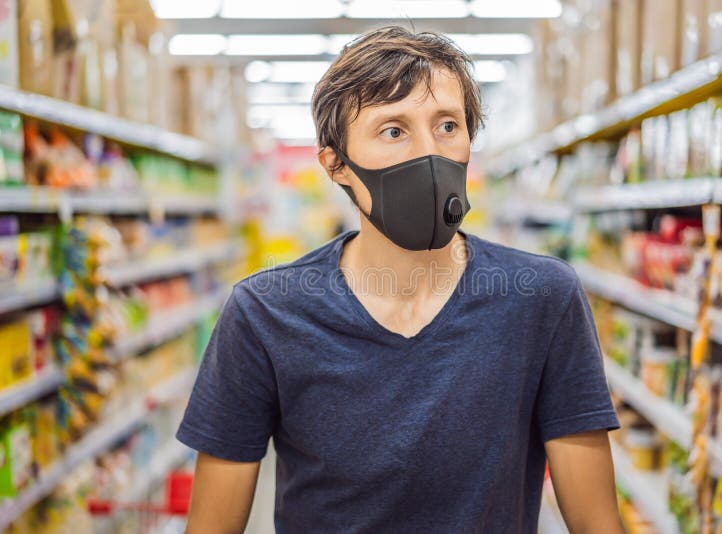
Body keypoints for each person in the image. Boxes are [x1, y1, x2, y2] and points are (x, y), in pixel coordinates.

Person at [177, 26, 624, 534]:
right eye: (394, 131)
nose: (428, 154)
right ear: (336, 164)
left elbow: (597, 522)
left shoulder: (542, 298)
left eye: (448, 126)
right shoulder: (265, 312)